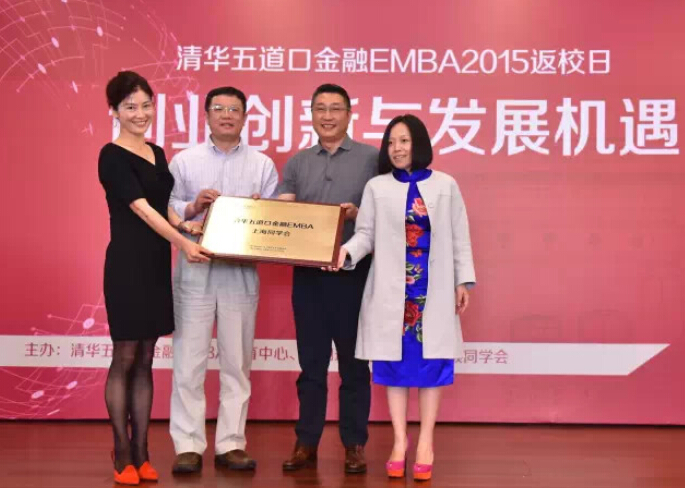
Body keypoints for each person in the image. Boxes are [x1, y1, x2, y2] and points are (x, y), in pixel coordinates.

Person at [332, 114, 476, 481]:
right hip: (392, 291)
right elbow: (365, 235)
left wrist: (463, 280)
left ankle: (426, 442)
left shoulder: (445, 185)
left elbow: (459, 235)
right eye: (392, 142)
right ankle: (400, 442)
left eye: (404, 141)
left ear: (419, 144)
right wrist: (345, 253)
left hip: (433, 289)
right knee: (393, 366)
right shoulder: (377, 187)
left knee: (431, 367)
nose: (396, 149)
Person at [99, 71, 209, 486]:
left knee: (146, 358)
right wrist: (182, 244)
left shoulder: (158, 152)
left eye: (146, 105)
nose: (140, 113)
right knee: (125, 357)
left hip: (155, 265)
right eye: (130, 106)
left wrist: (186, 225)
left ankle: (143, 452)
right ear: (114, 111)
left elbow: (163, 207)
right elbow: (141, 209)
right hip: (127, 264)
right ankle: (121, 452)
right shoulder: (111, 155)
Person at [168, 86, 279, 474]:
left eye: (234, 109)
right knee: (188, 361)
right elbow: (166, 207)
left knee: (237, 362)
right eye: (219, 108)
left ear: (245, 117)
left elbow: (274, 221)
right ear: (207, 115)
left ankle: (231, 443)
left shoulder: (262, 165)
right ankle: (188, 445)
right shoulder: (184, 161)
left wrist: (259, 213)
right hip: (195, 268)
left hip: (240, 273)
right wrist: (193, 205)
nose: (226, 115)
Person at [277, 84, 378, 473]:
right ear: (311, 114)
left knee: (355, 365)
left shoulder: (372, 159)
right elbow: (282, 211)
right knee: (312, 364)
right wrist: (255, 214)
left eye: (336, 108)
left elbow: (385, 210)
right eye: (320, 108)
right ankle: (306, 442)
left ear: (350, 114)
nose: (328, 115)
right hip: (308, 277)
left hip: (355, 275)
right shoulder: (298, 163)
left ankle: (354, 444)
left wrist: (357, 214)